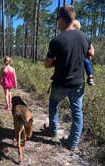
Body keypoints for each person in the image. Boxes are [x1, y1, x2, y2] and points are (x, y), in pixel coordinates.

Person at [44, 5, 91, 150]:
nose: (57, 22)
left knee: (53, 105)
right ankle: (72, 143)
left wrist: (58, 61)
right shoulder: (85, 37)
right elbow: (90, 54)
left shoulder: (56, 40)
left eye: (58, 19)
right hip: (78, 83)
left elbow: (47, 64)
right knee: (77, 113)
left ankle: (53, 131)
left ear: (63, 19)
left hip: (60, 83)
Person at [73, 19, 95, 85]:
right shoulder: (84, 37)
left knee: (86, 61)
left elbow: (91, 49)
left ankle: (90, 76)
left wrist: (90, 53)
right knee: (86, 61)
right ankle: (90, 76)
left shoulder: (83, 37)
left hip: (82, 56)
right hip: (78, 57)